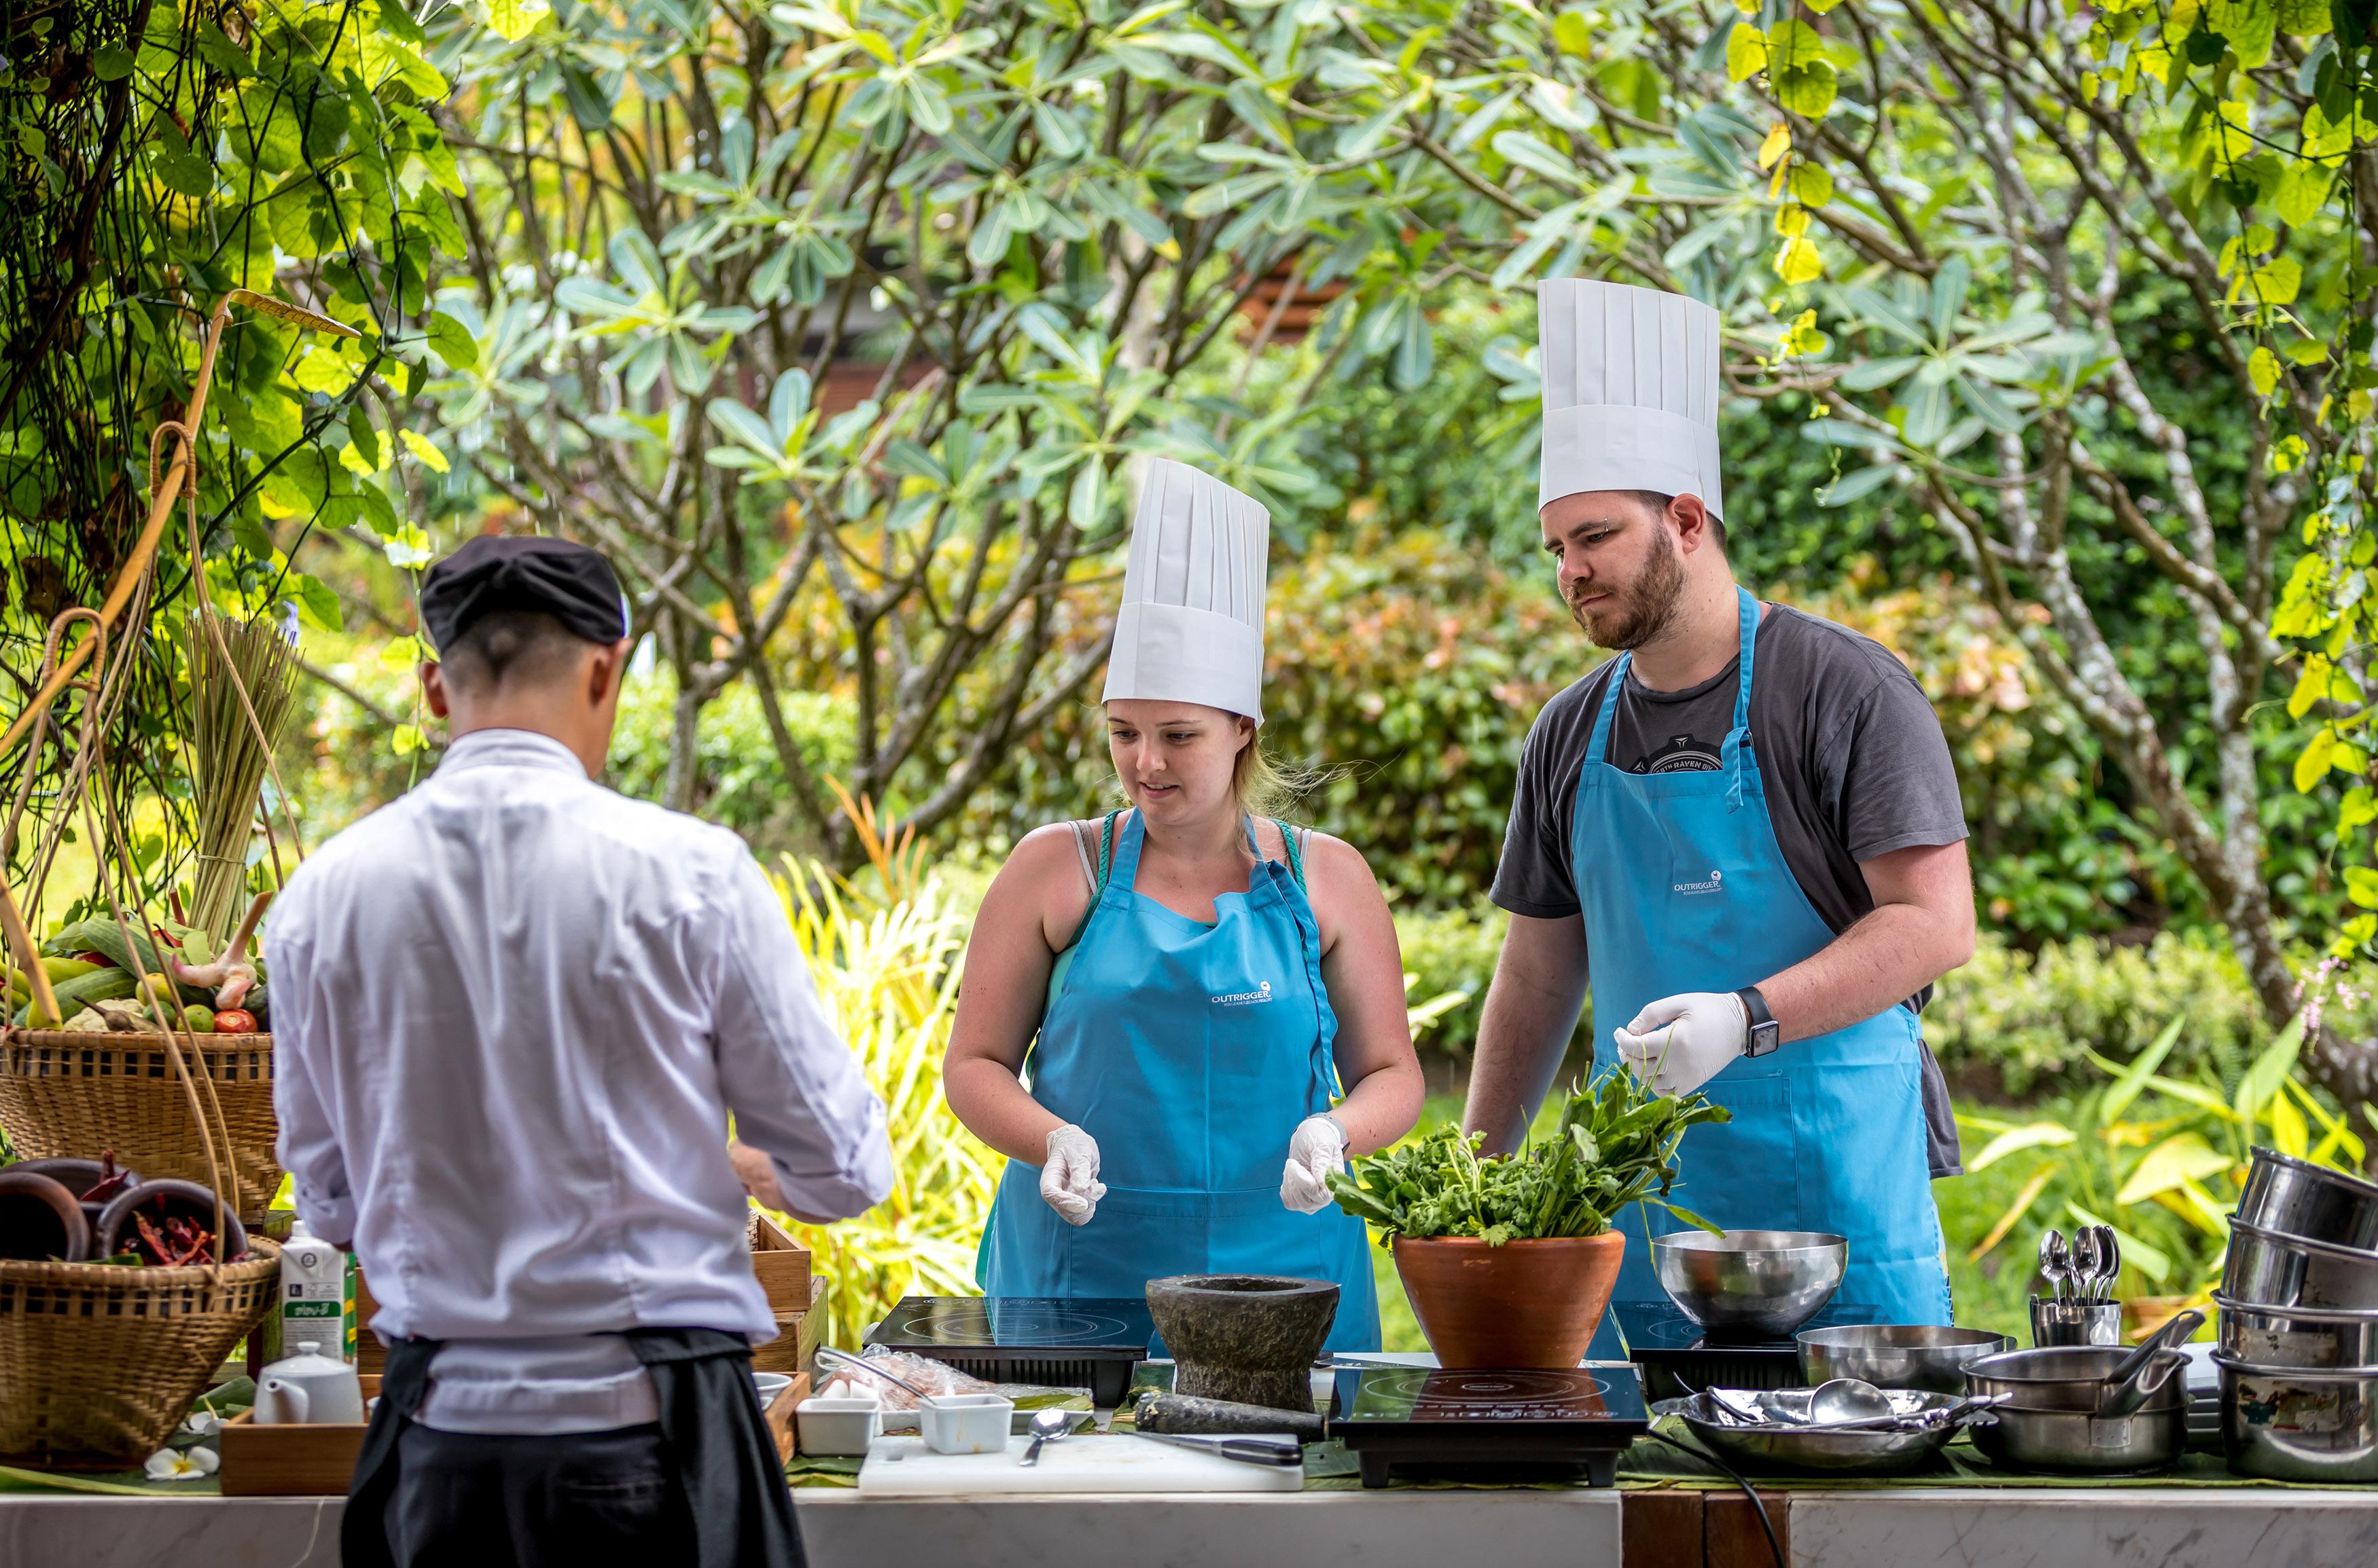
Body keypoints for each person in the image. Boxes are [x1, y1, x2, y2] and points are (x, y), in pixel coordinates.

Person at [269, 534, 891, 1568]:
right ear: (608, 668)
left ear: (435, 687)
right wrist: (726, 1160)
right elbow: (844, 1171)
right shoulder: (691, 875)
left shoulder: (321, 901)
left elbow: (328, 1206)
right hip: (652, 1453)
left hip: (441, 1456)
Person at [1461, 281, 1975, 1325]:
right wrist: (1477, 1187)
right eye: (1555, 548)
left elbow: (1934, 923)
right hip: (1651, 1227)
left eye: (1593, 537)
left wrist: (1747, 1020)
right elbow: (1537, 969)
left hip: (1839, 1228)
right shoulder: (1567, 732)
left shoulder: (1842, 690)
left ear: (1686, 519)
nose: (1570, 571)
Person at [944, 461, 1423, 1352]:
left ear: (1244, 726)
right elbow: (974, 1062)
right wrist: (1050, 1137)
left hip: (1289, 1275)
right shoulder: (1056, 869)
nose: (1146, 762)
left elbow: (1393, 1074)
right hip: (1084, 1275)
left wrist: (1335, 1131)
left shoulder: (1333, 879)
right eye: (1124, 731)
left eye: (1179, 735)